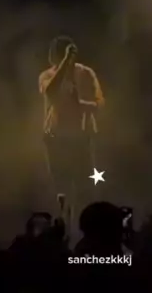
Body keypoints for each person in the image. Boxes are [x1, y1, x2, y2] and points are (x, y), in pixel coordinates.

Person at [38, 36, 104, 212]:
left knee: (85, 185)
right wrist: (65, 63)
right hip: (55, 138)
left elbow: (99, 104)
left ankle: (84, 218)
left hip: (81, 137)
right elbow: (50, 92)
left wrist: (80, 105)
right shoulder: (47, 76)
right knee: (60, 186)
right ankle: (62, 218)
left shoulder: (86, 74)